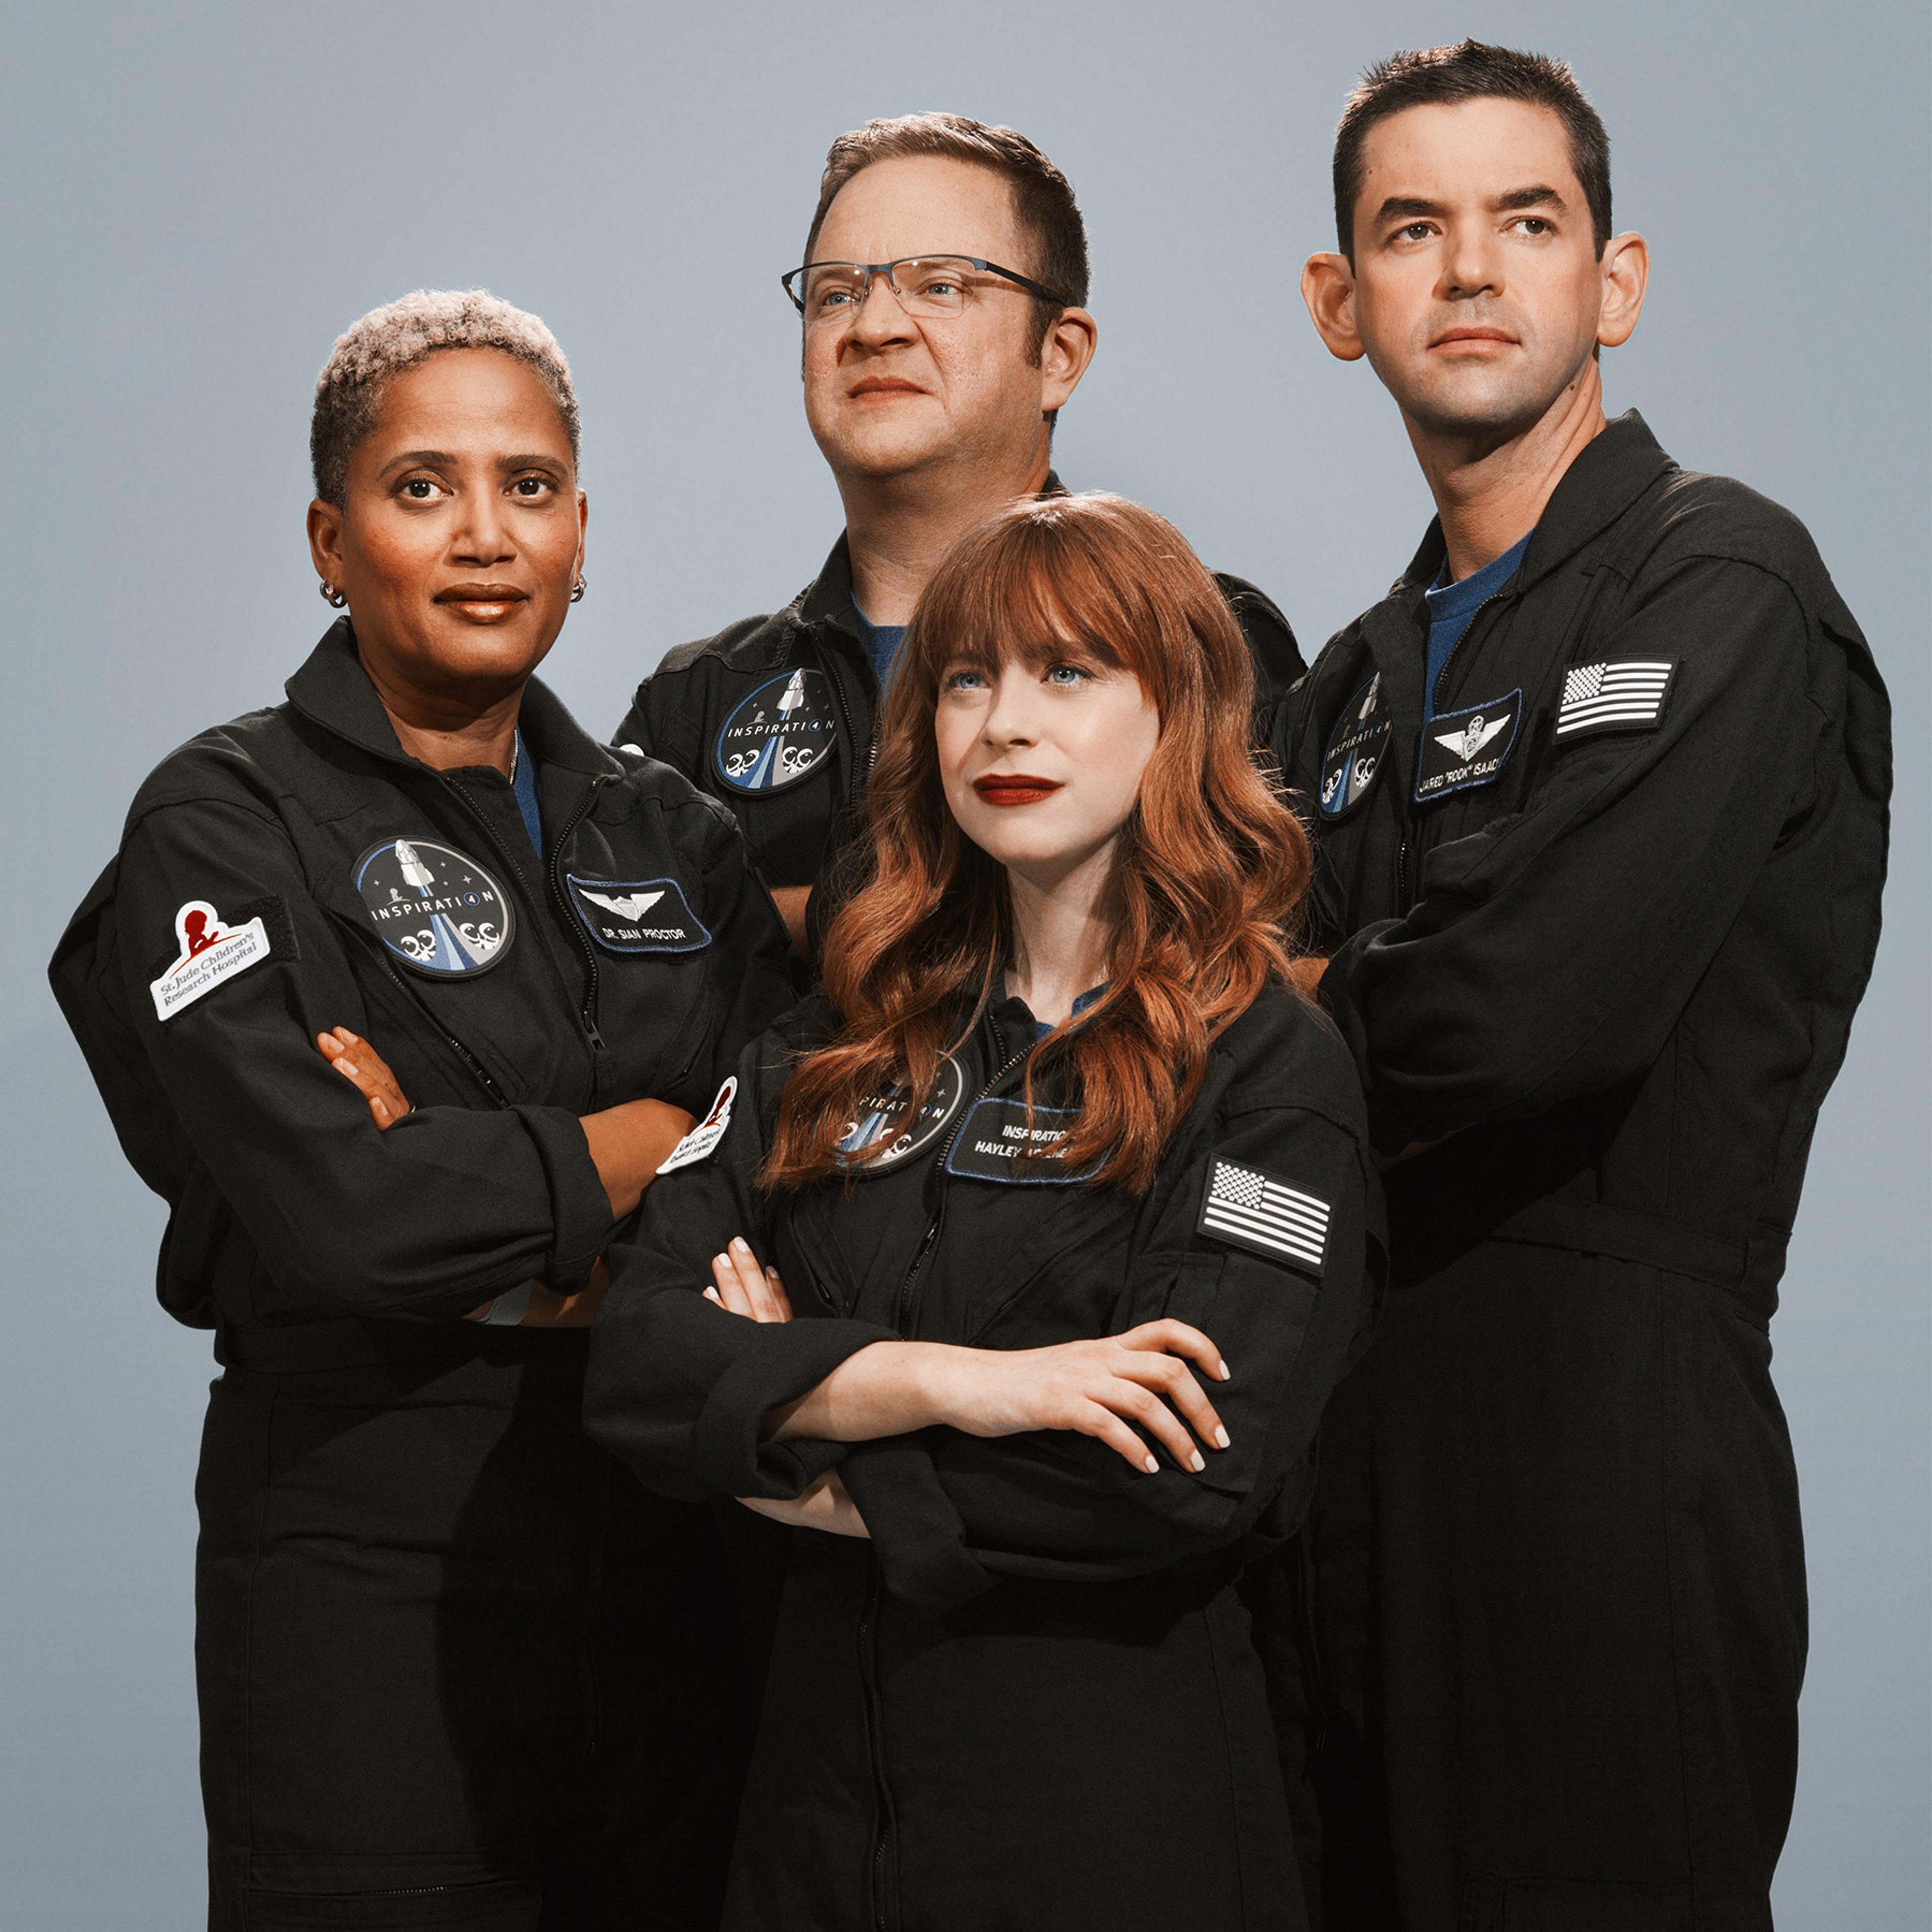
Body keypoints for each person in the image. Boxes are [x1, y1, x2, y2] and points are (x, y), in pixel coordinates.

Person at [48, 290, 798, 1928]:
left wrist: (474, 1177)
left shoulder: (673, 834)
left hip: (673, 1551)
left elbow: (783, 1187)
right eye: (420, 488)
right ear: (331, 539)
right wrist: (629, 1141)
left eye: (529, 487)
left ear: (583, 532)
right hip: (364, 1555)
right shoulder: (226, 818)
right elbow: (343, 1214)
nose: (483, 535)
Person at [1272, 43, 1891, 1931]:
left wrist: (1287, 1012)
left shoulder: (1723, 583)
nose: (1469, 272)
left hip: (1604, 1464)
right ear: (1339, 303)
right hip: (1329, 1465)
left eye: (1525, 222)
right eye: (1413, 229)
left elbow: (1528, 1013)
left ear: (1612, 282)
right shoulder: (1344, 693)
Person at [583, 492, 1385, 1931]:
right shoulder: (839, 1037)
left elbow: (1182, 1468)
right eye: (969, 678)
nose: (1005, 724)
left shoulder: (1267, 1065)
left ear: (1179, 715)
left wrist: (793, 1448)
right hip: (812, 1835)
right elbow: (639, 1358)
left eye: (1068, 673)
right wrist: (961, 1386)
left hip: (1117, 1836)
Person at [611, 112, 1304, 953]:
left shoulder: (1197, 631)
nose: (874, 327)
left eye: (941, 286)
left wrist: (770, 920)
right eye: (837, 292)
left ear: (1059, 355)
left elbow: (1231, 955)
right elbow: (613, 979)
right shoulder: (698, 699)